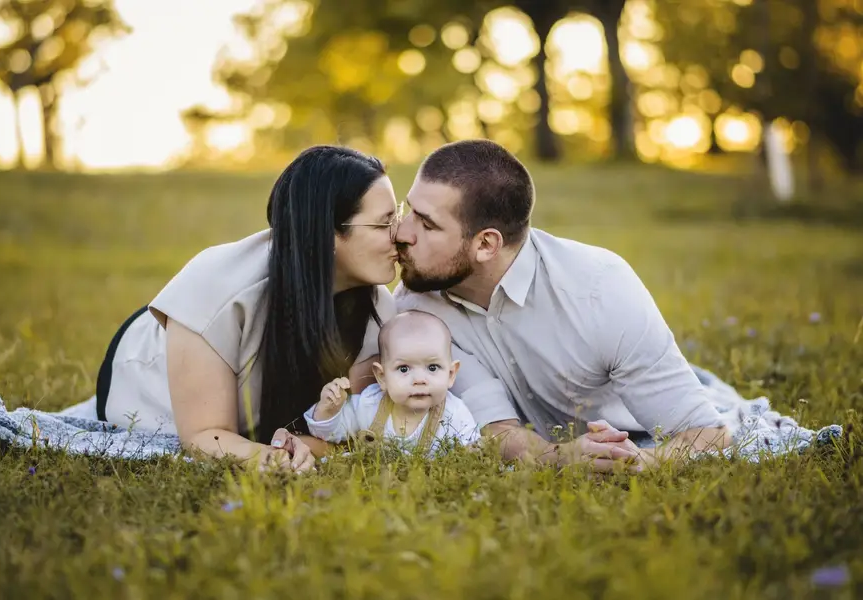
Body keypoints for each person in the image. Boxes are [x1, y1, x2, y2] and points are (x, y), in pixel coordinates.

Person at [392, 139, 733, 471]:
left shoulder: (600, 289)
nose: (402, 233)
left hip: (635, 427)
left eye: (427, 224)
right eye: (409, 210)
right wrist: (562, 457)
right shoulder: (418, 307)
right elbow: (497, 429)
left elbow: (707, 434)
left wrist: (641, 461)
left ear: (485, 244)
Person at [81, 145, 401, 473]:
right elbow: (204, 436)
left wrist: (303, 448)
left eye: (398, 217)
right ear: (327, 233)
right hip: (145, 371)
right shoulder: (217, 284)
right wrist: (271, 458)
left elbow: (352, 433)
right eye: (383, 224)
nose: (401, 236)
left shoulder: (378, 310)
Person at [303, 310, 481, 455]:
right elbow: (330, 435)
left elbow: (472, 453)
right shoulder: (369, 403)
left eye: (432, 368)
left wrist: (469, 454)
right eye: (404, 369)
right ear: (382, 376)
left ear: (451, 374)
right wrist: (329, 410)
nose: (419, 380)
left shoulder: (455, 415)